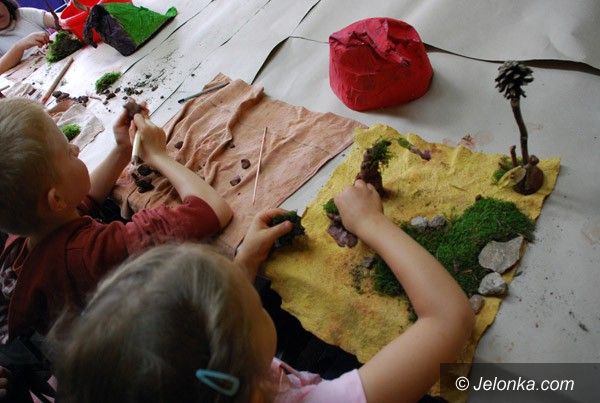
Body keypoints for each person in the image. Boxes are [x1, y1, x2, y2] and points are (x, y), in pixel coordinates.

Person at [52, 180, 474, 403]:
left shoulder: (208, 378)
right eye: (245, 300)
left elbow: (210, 330)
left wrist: (245, 261)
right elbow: (449, 319)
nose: (243, 287)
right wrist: (370, 223)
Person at [0, 97, 233, 345]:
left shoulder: (29, 233)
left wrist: (122, 149)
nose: (76, 149)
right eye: (68, 151)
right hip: (153, 345)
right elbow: (211, 210)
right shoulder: (91, 255)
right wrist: (158, 156)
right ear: (56, 199)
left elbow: (80, 201)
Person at [0, 0, 60, 74]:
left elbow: (59, 20)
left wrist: (61, 21)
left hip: (57, 62)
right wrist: (19, 46)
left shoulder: (22, 14)